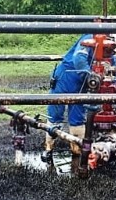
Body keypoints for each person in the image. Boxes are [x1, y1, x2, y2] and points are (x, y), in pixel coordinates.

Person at [42, 33, 100, 170]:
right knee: (55, 115)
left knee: (77, 118)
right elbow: (79, 59)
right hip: (66, 77)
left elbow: (112, 65)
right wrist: (91, 77)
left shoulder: (109, 48)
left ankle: (77, 153)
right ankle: (48, 149)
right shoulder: (88, 38)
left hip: (82, 83)